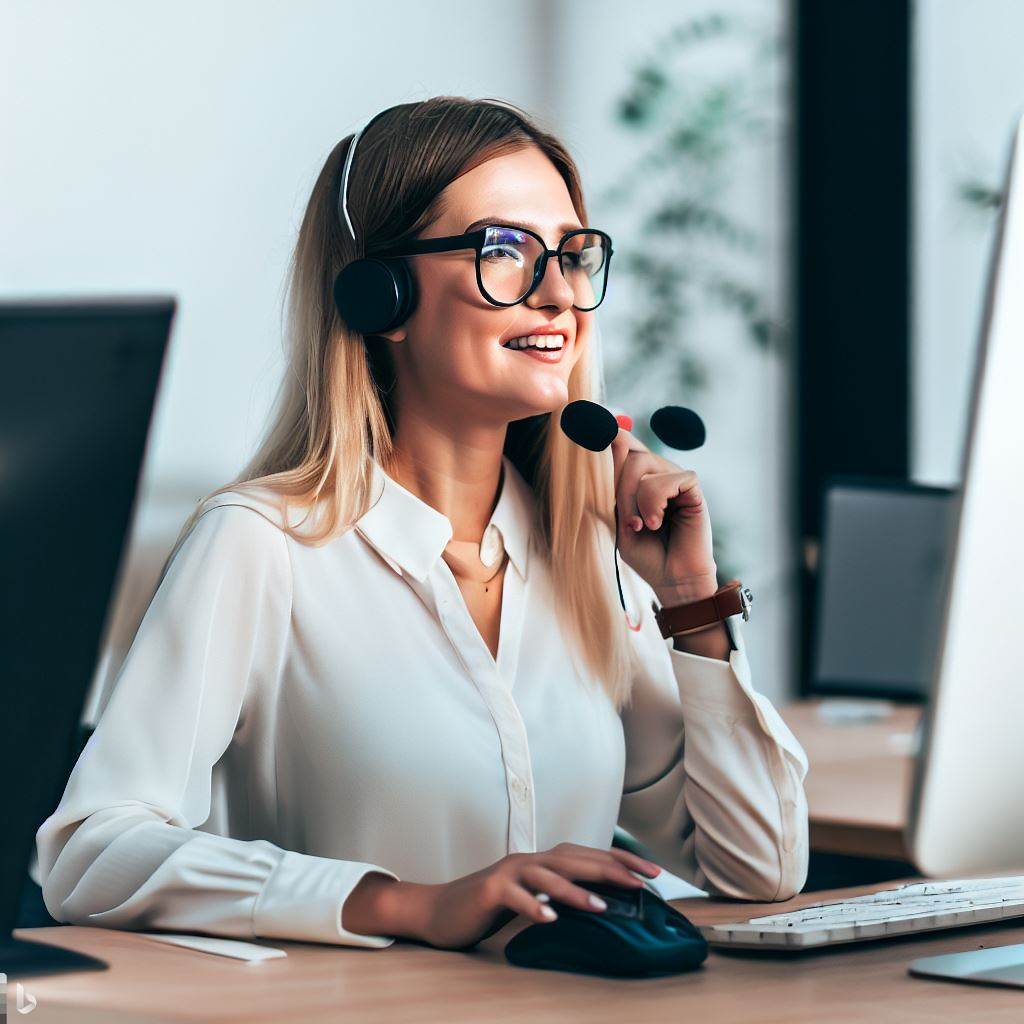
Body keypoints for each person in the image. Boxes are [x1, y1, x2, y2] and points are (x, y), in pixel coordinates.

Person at [34, 96, 808, 952]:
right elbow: (90, 855)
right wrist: (412, 904)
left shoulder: (591, 557)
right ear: (383, 297)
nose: (558, 295)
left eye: (573, 255)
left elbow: (758, 870)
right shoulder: (264, 543)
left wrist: (691, 603)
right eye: (504, 253)